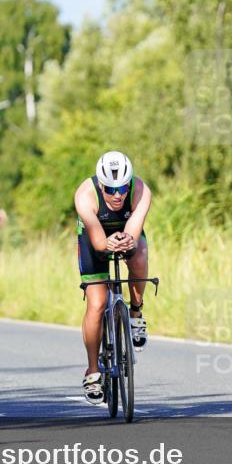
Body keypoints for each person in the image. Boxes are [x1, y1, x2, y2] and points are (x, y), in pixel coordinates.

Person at [73, 151, 152, 404]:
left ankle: (136, 314)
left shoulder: (141, 191)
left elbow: (133, 230)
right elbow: (97, 243)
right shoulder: (85, 196)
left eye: (122, 189)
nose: (117, 195)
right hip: (94, 236)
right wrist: (107, 244)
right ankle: (93, 370)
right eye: (110, 189)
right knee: (96, 303)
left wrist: (126, 240)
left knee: (138, 256)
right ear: (100, 184)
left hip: (124, 230)